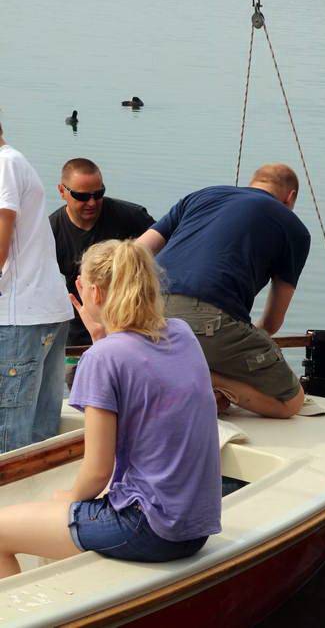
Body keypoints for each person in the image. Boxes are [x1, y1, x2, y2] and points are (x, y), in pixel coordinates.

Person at [0, 240, 221, 577]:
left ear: (94, 293)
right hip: (194, 527)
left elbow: (97, 471)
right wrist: (102, 338)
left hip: (147, 527)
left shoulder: (103, 359)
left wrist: (69, 500)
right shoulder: (182, 333)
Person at [136, 164, 311, 419]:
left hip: (145, 311)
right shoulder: (293, 227)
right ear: (290, 196)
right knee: (291, 401)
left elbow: (135, 253)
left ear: (252, 183)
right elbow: (272, 322)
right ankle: (206, 376)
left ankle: (186, 371)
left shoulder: (200, 197)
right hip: (207, 319)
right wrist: (244, 353)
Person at [0, 120, 74, 453]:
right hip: (43, 310)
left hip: (20, 318)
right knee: (40, 437)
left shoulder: (4, 165)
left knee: (8, 443)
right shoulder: (15, 162)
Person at [50, 157, 155, 350]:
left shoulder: (131, 217)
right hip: (80, 326)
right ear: (62, 191)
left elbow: (169, 249)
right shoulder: (50, 231)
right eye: (82, 196)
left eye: (98, 194)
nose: (91, 203)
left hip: (132, 322)